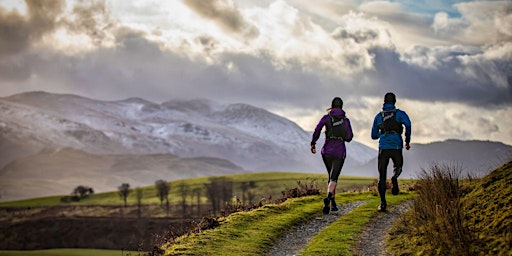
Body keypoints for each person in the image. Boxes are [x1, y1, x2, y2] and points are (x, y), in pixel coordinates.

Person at [311, 97, 353, 214]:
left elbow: (317, 129)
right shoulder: (346, 120)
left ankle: (332, 204)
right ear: (342, 107)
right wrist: (342, 137)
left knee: (330, 176)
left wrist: (313, 143)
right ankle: (329, 197)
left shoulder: (327, 118)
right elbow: (349, 137)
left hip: (327, 151)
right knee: (334, 177)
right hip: (339, 151)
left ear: (332, 106)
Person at [371, 92, 411, 212]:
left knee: (382, 176)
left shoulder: (379, 116)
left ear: (384, 102)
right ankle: (394, 177)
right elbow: (408, 125)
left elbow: (373, 136)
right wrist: (407, 140)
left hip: (383, 148)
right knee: (398, 167)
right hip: (397, 147)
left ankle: (383, 203)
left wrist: (382, 132)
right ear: (394, 102)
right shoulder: (400, 114)